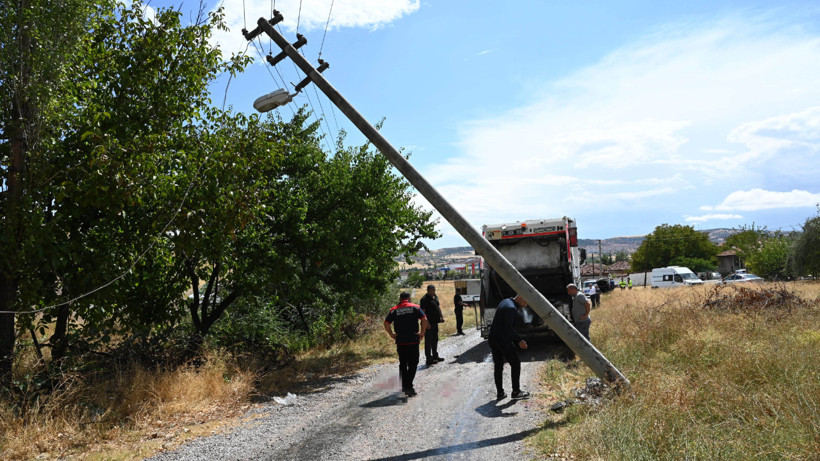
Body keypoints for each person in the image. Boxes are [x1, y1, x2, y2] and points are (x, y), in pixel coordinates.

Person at [384, 292, 429, 397]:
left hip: (401, 341)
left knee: (403, 364)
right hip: (413, 340)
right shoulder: (415, 307)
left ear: (400, 299)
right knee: (413, 364)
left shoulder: (394, 309)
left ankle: (404, 386)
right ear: (409, 298)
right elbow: (425, 319)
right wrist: (422, 333)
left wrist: (391, 334)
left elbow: (386, 323)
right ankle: (409, 387)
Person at [488, 294, 530, 400]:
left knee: (498, 365)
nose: (526, 304)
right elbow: (509, 328)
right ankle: (516, 392)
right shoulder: (511, 308)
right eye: (526, 302)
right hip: (502, 340)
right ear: (520, 297)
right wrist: (519, 340)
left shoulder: (506, 301)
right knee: (515, 363)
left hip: (493, 338)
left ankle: (500, 393)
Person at [419, 284, 444, 365]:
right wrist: (427, 323)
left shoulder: (435, 297)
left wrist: (441, 317)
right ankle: (429, 359)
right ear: (427, 290)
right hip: (428, 324)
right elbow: (423, 312)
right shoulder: (424, 299)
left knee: (435, 340)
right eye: (430, 290)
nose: (432, 292)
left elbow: (438, 307)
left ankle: (435, 356)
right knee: (428, 342)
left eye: (433, 290)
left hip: (435, 322)